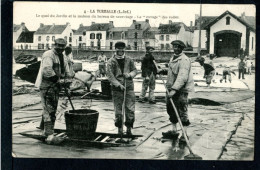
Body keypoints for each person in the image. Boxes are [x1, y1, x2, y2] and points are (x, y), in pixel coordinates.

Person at [35, 38, 75, 143]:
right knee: (49, 110)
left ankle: (44, 131)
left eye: (63, 46)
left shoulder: (64, 57)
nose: (60, 48)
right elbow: (47, 70)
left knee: (51, 108)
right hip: (47, 85)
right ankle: (49, 135)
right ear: (55, 44)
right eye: (59, 45)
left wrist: (67, 83)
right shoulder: (48, 54)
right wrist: (58, 81)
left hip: (56, 86)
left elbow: (67, 72)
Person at [158, 40, 194, 143]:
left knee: (182, 111)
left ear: (182, 48)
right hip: (170, 88)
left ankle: (184, 134)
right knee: (171, 110)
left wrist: (174, 90)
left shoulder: (184, 60)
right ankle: (174, 131)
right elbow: (173, 71)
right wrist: (163, 71)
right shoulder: (173, 58)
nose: (176, 49)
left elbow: (182, 77)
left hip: (181, 90)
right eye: (174, 47)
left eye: (178, 47)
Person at [106, 42, 137, 135]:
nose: (120, 50)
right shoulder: (111, 61)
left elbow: (135, 70)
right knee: (118, 109)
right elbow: (110, 75)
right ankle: (120, 129)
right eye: (118, 48)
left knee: (130, 108)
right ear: (115, 49)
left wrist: (130, 75)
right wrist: (118, 84)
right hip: (117, 89)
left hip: (129, 87)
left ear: (124, 49)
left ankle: (129, 129)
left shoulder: (129, 60)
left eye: (122, 48)